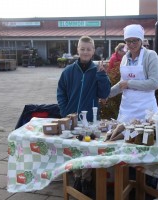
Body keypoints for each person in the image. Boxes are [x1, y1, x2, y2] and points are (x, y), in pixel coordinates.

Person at [57, 35, 111, 196]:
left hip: (90, 121)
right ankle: (77, 177)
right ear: (77, 50)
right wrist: (65, 111)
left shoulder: (97, 71)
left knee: (87, 150)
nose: (85, 52)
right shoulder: (68, 71)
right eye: (82, 49)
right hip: (72, 119)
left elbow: (104, 93)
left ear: (93, 51)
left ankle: (86, 180)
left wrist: (102, 76)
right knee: (74, 149)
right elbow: (61, 92)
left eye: (88, 49)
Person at [108, 24, 158, 123]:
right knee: (123, 136)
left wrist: (129, 83)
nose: (131, 44)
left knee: (145, 137)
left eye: (135, 40)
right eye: (128, 41)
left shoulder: (150, 56)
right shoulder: (124, 58)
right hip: (127, 110)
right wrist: (107, 94)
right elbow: (122, 83)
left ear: (141, 40)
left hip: (146, 110)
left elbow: (154, 83)